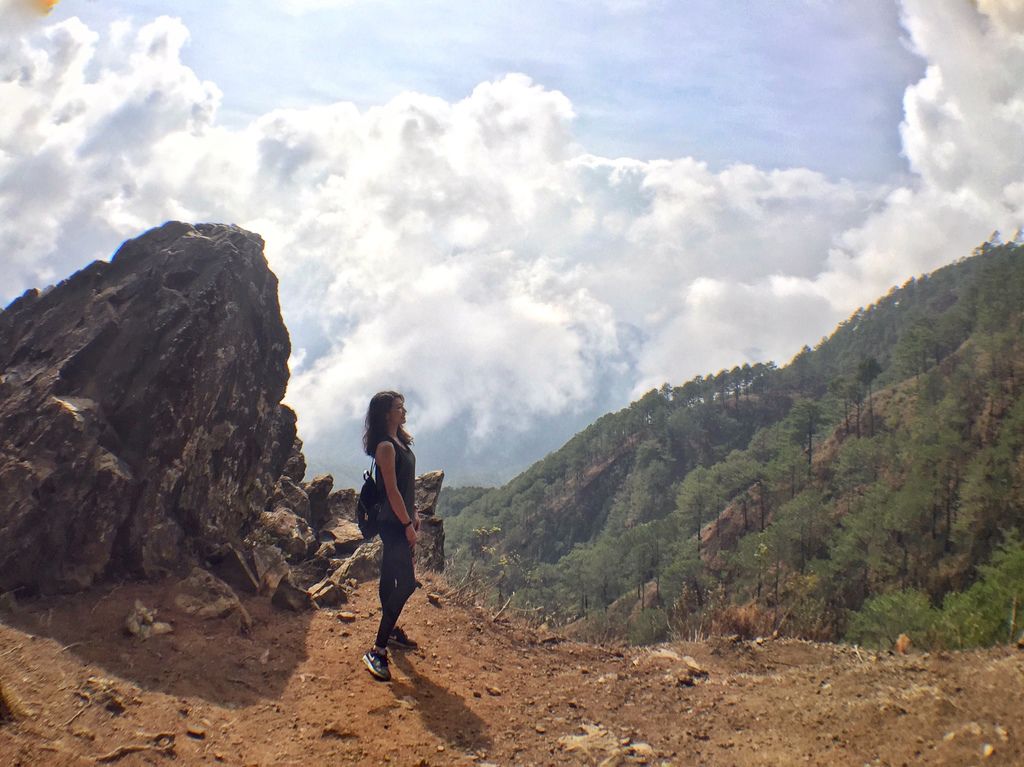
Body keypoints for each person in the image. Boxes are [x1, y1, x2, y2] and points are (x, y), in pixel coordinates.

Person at [361, 390, 420, 682]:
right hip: (392, 523)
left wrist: (415, 513)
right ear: (387, 414)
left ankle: (391, 629)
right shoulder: (386, 447)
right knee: (407, 584)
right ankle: (378, 650)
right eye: (399, 407)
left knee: (389, 577)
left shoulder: (400, 441)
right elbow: (392, 490)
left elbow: (407, 485)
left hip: (401, 518)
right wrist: (407, 523)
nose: (404, 411)